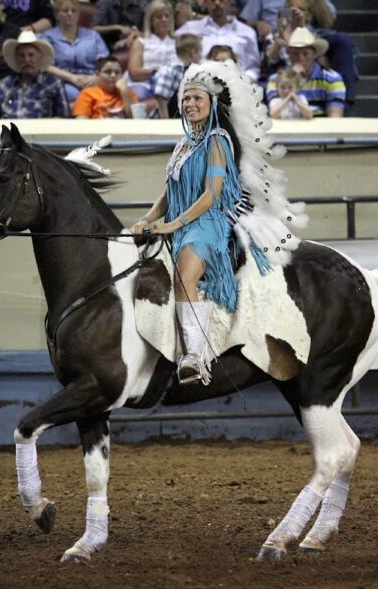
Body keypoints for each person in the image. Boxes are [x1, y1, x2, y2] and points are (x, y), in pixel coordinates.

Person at [130, 60, 307, 384]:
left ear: (212, 103)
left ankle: (195, 358)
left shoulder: (216, 139)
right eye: (186, 99)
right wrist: (146, 219)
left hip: (209, 222)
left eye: (198, 98)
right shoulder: (184, 143)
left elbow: (212, 194)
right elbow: (169, 192)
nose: (190, 104)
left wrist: (172, 225)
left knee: (185, 276)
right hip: (182, 221)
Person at [262, 0, 356, 106]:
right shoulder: (274, 37)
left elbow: (322, 65)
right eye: (291, 10)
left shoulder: (314, 37)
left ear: (309, 16)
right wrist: (280, 35)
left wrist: (302, 26)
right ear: (285, 12)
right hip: (282, 83)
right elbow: (266, 64)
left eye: (301, 9)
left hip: (311, 81)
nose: (296, 12)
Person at [0, 29, 67, 117]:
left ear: (39, 58)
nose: (26, 60)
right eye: (22, 56)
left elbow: (65, 118)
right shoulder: (6, 84)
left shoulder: (54, 84)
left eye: (31, 55)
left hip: (38, 137)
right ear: (17, 60)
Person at [266, 27, 345, 117]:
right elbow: (274, 113)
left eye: (305, 53)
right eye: (295, 54)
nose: (300, 58)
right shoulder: (275, 80)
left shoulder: (332, 78)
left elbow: (335, 117)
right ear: (289, 54)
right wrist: (295, 78)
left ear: (314, 54)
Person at [40, 0, 108, 103]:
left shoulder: (93, 35)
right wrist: (72, 78)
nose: (70, 14)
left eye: (74, 11)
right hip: (63, 80)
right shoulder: (48, 36)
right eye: (65, 11)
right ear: (57, 14)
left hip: (92, 79)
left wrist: (95, 77)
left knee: (99, 95)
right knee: (72, 95)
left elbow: (105, 61)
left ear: (79, 14)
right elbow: (45, 65)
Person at [174, 0, 260, 80]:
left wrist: (244, 83)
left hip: (236, 86)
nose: (217, 3)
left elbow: (253, 68)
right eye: (212, 0)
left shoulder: (247, 32)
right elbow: (173, 54)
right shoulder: (190, 29)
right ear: (205, 3)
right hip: (199, 85)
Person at [126, 0, 176, 100]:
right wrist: (157, 71)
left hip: (170, 84)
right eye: (159, 17)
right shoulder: (141, 42)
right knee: (138, 95)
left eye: (167, 16)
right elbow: (134, 73)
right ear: (150, 21)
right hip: (143, 83)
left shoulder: (178, 43)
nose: (164, 20)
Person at [154, 31, 201, 117]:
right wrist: (165, 123)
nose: (200, 56)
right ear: (193, 53)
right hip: (169, 118)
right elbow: (160, 97)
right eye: (199, 52)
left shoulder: (196, 71)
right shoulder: (171, 70)